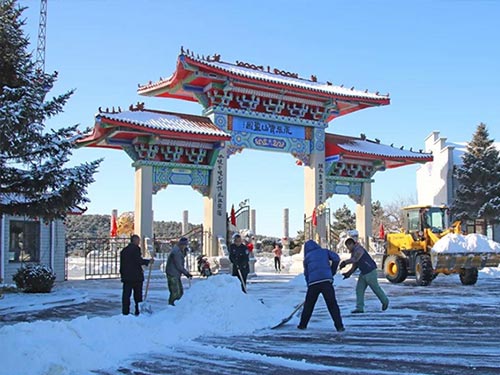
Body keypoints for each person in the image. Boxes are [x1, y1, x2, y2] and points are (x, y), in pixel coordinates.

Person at [298, 240, 344, 332]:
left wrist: (309, 285)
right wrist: (332, 271)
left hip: (313, 283)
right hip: (326, 281)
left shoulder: (307, 258)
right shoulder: (324, 251)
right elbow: (336, 258)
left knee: (309, 305)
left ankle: (302, 325)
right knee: (332, 304)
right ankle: (339, 326)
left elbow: (306, 273)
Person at [340, 237, 389, 313]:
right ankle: (359, 308)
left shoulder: (359, 249)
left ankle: (385, 301)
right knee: (359, 290)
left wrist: (345, 263)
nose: (348, 248)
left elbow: (355, 259)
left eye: (348, 246)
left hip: (370, 271)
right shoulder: (354, 251)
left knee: (375, 288)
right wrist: (348, 273)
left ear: (351, 244)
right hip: (364, 273)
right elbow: (355, 265)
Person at [119, 234, 153, 316]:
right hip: (136, 277)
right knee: (138, 296)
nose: (139, 242)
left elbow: (122, 264)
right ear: (135, 241)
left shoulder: (124, 251)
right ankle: (138, 311)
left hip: (126, 277)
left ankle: (125, 312)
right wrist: (147, 262)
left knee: (126, 296)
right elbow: (138, 260)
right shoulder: (135, 249)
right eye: (138, 240)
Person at [166, 237, 192, 306]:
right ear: (182, 245)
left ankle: (178, 306)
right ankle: (171, 306)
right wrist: (186, 273)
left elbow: (180, 260)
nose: (185, 247)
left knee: (180, 292)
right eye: (185, 245)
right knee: (175, 292)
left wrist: (184, 253)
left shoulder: (179, 250)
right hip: (172, 274)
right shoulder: (176, 252)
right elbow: (179, 265)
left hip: (175, 274)